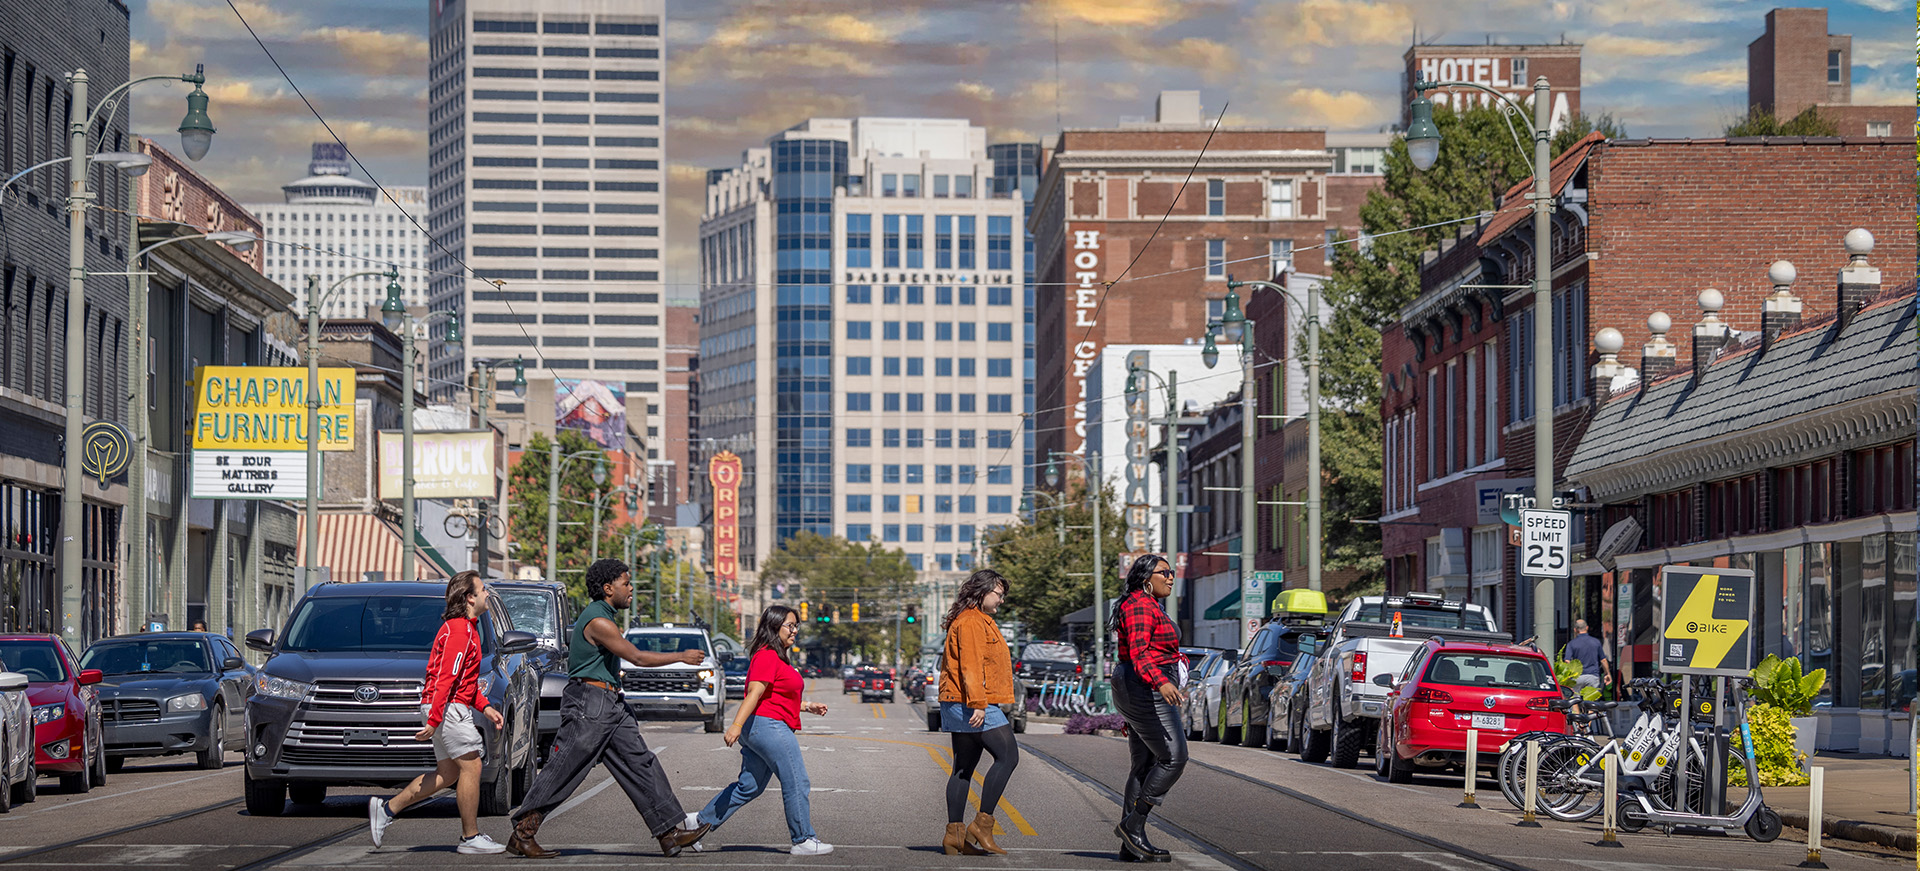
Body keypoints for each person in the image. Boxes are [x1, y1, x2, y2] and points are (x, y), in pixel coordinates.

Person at [506, 558, 713, 859]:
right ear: (607, 588)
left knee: (641, 762)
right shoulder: (598, 620)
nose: (631, 589)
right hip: (589, 703)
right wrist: (680, 655)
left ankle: (670, 833)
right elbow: (637, 657)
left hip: (610, 704)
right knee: (564, 769)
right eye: (626, 583)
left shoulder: (606, 615)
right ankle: (522, 834)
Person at [368, 571, 507, 854]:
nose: (486, 594)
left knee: (447, 774)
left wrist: (486, 707)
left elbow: (463, 682)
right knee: (472, 766)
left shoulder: (464, 628)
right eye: (482, 590)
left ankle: (386, 809)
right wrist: (435, 720)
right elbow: (447, 678)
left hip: (444, 705)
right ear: (469, 597)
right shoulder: (460, 631)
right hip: (448, 708)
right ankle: (470, 838)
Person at [692, 606, 833, 855]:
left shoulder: (777, 657)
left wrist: (807, 706)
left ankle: (696, 824)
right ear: (774, 625)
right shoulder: (767, 655)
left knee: (749, 787)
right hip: (769, 726)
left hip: (762, 725)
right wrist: (735, 725)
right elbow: (755, 693)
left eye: (796, 626)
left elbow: (774, 697)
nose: (795, 630)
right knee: (797, 780)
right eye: (790, 625)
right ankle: (802, 839)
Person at [1109, 554, 1186, 863]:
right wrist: (1161, 683)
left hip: (1140, 685)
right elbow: (1140, 654)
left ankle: (1131, 845)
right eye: (1164, 572)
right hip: (1145, 686)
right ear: (1146, 579)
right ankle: (1133, 824)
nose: (1171, 577)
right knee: (1174, 757)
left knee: (1144, 764)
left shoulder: (1148, 604)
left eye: (1172, 572)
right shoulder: (1140, 606)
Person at [937, 569, 1019, 856]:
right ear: (982, 591)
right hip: (971, 701)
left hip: (959, 701)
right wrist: (979, 704)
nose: (1001, 600)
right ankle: (981, 827)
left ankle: (954, 837)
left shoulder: (975, 619)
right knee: (1008, 756)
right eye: (998, 594)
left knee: (963, 768)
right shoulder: (972, 621)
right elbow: (971, 665)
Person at [1565, 619, 1610, 694]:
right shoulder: (1596, 642)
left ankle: (1576, 705)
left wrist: (1569, 676)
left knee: (1575, 700)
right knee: (1591, 702)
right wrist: (1607, 673)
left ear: (1575, 630)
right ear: (1587, 628)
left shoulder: (1571, 644)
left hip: (1577, 677)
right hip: (1592, 676)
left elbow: (1567, 661)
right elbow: (1603, 660)